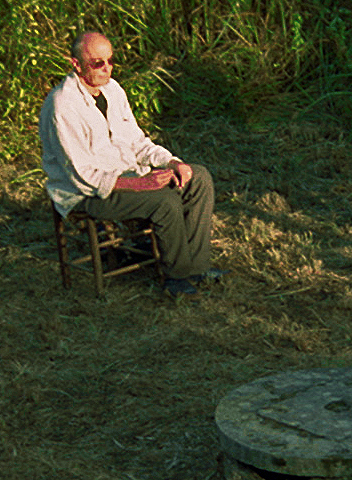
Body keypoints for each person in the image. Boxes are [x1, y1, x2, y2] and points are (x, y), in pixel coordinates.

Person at [41, 30, 223, 297]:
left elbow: (138, 142)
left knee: (199, 177)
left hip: (125, 175)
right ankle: (176, 278)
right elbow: (82, 175)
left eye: (111, 61)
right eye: (97, 63)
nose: (107, 68)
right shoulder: (62, 105)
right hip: (86, 192)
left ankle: (196, 266)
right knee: (164, 201)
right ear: (77, 64)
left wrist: (171, 162)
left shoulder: (113, 91)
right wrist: (140, 184)